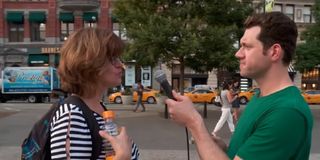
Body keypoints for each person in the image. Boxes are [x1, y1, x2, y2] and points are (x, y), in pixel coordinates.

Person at [164, 12, 313, 160]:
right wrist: (222, 148)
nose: (238, 54)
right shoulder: (261, 96)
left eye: (246, 47)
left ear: (274, 52)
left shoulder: (286, 112)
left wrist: (194, 123)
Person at [51, 28, 139, 159]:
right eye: (113, 59)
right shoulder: (73, 116)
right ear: (91, 62)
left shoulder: (97, 108)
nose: (121, 65)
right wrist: (123, 157)